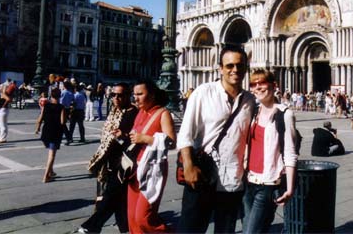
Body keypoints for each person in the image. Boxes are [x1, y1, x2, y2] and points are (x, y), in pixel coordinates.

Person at [177, 45, 255, 233]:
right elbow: (185, 134)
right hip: (201, 175)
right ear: (220, 68)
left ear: (246, 68)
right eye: (229, 66)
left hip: (232, 181)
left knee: (226, 230)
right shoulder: (203, 92)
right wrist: (188, 167)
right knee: (191, 229)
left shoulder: (250, 101)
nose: (235, 70)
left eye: (240, 65)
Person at [243, 69, 298, 233]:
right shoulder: (253, 111)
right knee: (250, 228)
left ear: (274, 86)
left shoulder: (285, 114)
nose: (257, 87)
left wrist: (289, 188)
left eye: (262, 82)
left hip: (268, 184)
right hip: (248, 181)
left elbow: (290, 152)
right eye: (254, 84)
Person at [79, 83, 139, 234]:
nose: (116, 98)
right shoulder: (113, 111)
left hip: (124, 163)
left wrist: (123, 137)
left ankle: (91, 226)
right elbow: (106, 136)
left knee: (110, 196)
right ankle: (125, 228)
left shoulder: (134, 113)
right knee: (118, 198)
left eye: (120, 95)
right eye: (113, 95)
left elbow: (135, 141)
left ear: (127, 96)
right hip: (108, 159)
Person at [127, 79, 176, 233]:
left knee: (143, 217)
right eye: (134, 94)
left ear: (152, 95)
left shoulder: (163, 113)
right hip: (135, 168)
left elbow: (172, 142)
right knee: (132, 217)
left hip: (152, 170)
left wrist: (145, 139)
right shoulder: (140, 112)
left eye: (140, 94)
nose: (136, 98)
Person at [35, 88, 65, 183]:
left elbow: (40, 118)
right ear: (60, 96)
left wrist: (37, 128)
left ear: (51, 96)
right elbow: (62, 122)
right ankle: (45, 176)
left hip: (46, 132)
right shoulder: (61, 107)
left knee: (50, 151)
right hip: (55, 133)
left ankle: (51, 172)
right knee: (51, 155)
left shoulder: (46, 105)